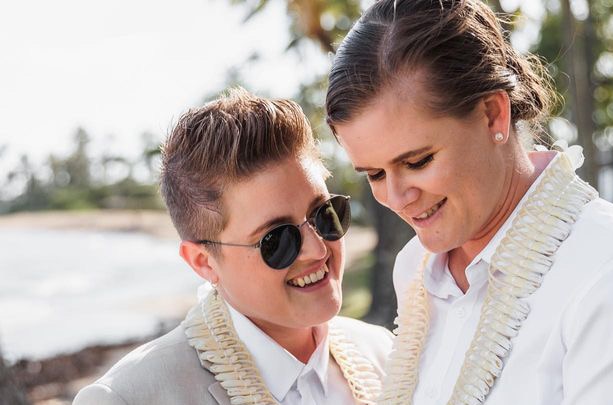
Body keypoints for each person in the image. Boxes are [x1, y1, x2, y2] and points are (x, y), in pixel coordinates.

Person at [325, 0, 613, 404]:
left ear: (494, 114)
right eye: (374, 174)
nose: (396, 197)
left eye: (418, 161)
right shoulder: (416, 270)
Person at [73, 88, 393, 405]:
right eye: (277, 239)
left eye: (325, 214)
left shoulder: (384, 355)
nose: (317, 250)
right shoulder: (126, 398)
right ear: (203, 261)